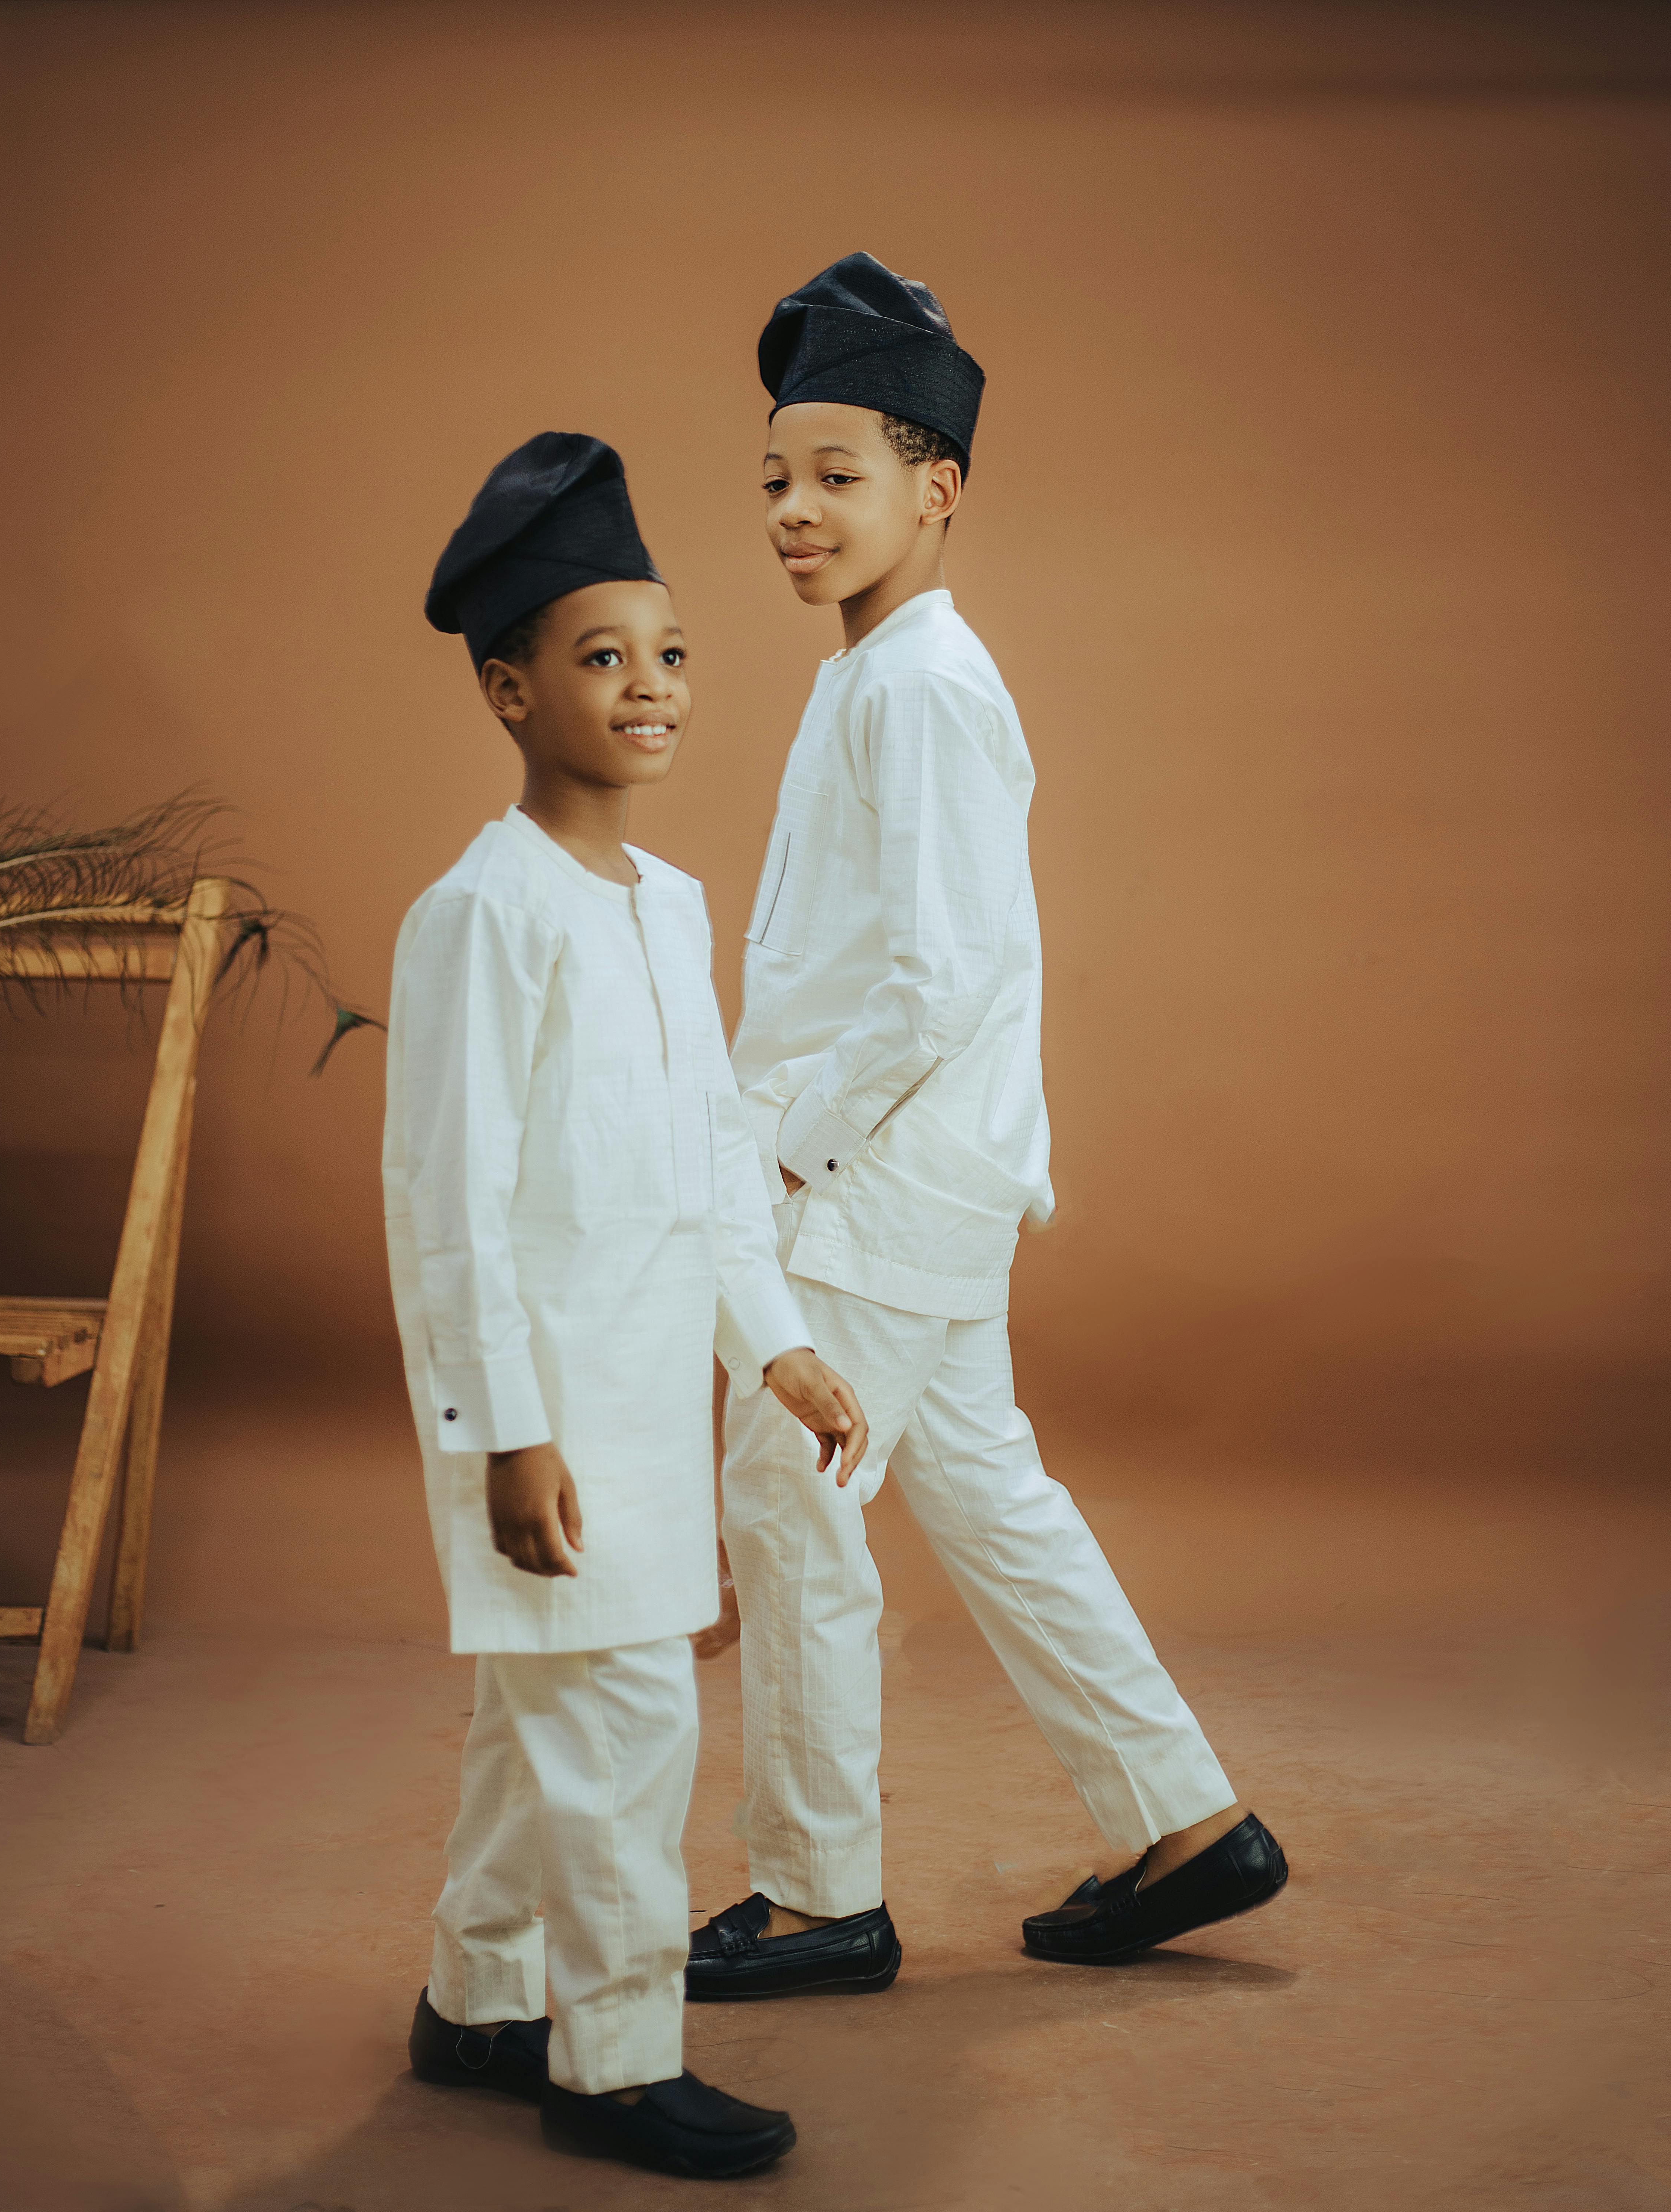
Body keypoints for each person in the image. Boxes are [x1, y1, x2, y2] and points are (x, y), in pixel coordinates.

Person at [686, 255, 1287, 2002]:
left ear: (934, 487)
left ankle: (815, 1896)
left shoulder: (924, 688)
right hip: (920, 1171)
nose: (795, 513)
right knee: (980, 1485)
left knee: (786, 1490)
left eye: (837, 477)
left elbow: (937, 979)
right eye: (775, 483)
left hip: (875, 1174)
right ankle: (1187, 1820)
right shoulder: (878, 674)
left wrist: (788, 1145)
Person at [385, 431, 869, 2173]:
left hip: (655, 1392)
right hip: (548, 1416)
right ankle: (609, 2055)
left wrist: (784, 1342)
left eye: (669, 652)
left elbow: (714, 1168)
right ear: (510, 690)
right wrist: (504, 1433)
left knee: (552, 1719)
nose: (650, 686)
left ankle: (473, 1996)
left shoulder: (671, 905)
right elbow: (446, 1203)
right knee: (623, 1725)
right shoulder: (478, 915)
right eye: (602, 657)